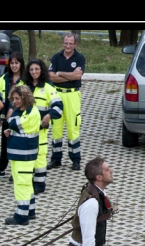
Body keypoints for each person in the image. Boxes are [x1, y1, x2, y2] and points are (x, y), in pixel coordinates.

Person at [21, 59, 63, 193]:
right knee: (26, 157)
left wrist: (49, 115)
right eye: (31, 69)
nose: (34, 72)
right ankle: (27, 183)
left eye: (37, 69)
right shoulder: (23, 86)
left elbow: (58, 106)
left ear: (42, 70)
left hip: (40, 130)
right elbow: (13, 103)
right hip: (24, 130)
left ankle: (39, 185)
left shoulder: (48, 88)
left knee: (39, 158)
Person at [48, 33, 85, 171]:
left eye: (71, 43)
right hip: (57, 94)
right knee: (56, 128)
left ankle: (75, 160)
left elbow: (77, 76)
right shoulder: (56, 57)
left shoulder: (80, 58)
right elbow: (51, 77)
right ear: (62, 43)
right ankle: (56, 159)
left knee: (72, 128)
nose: (68, 46)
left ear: (75, 44)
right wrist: (69, 76)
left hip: (72, 95)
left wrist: (59, 73)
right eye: (66, 43)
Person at [3, 85, 40, 226]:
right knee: (26, 183)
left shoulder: (31, 114)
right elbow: (17, 127)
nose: (15, 101)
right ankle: (30, 210)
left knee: (21, 185)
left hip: (24, 156)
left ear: (25, 98)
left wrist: (12, 124)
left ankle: (21, 216)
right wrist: (11, 131)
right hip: (20, 154)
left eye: (17, 98)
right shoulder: (24, 111)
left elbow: (12, 121)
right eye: (13, 98)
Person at [0, 51, 24, 180]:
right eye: (12, 63)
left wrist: (12, 109)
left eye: (17, 63)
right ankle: (1, 170)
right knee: (4, 146)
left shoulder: (25, 80)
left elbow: (26, 100)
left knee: (16, 145)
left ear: (21, 64)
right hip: (5, 118)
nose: (14, 65)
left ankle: (16, 173)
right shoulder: (4, 78)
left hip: (19, 119)